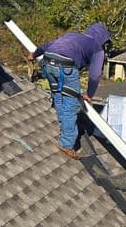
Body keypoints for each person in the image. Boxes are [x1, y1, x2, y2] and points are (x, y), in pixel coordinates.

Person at [28, 23, 112, 160]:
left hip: (47, 62)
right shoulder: (98, 48)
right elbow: (95, 75)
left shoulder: (72, 35)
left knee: (58, 96)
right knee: (72, 105)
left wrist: (34, 54)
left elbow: (45, 46)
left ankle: (64, 126)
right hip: (65, 67)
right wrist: (89, 94)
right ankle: (66, 144)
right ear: (102, 38)